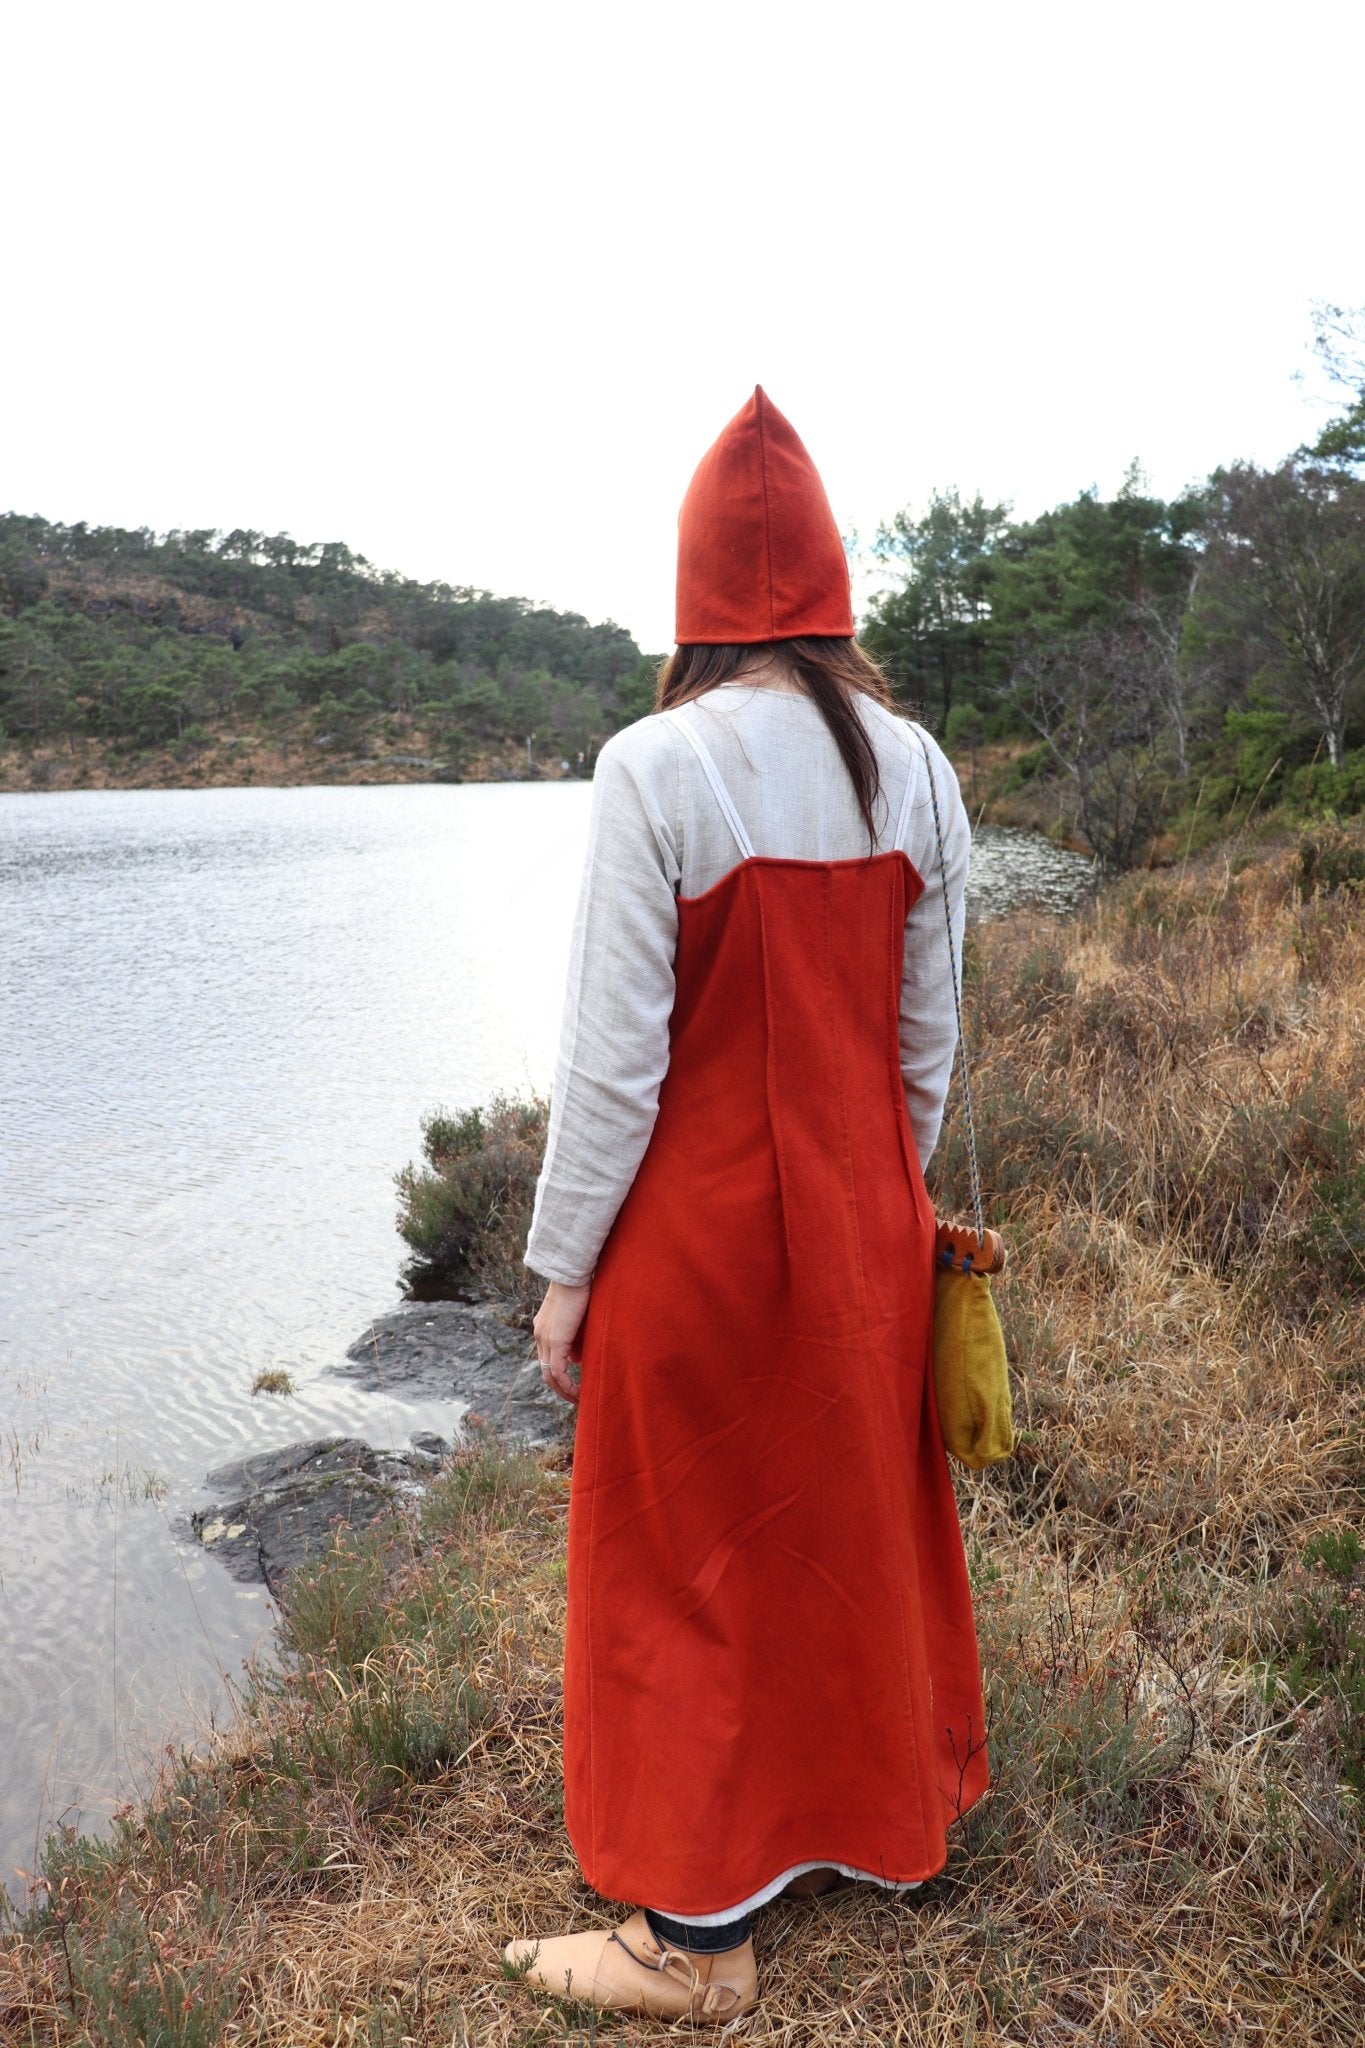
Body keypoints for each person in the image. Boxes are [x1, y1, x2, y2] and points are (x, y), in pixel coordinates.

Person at [503, 388, 988, 2024]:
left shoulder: (654, 764)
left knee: (683, 1559)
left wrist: (565, 1270)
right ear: (834, 580)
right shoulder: (914, 767)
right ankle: (851, 1828)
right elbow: (925, 1047)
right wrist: (875, 1200)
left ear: (693, 587)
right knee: (838, 1533)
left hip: (695, 1242)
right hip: (865, 1227)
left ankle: (694, 1945)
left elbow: (612, 1067)